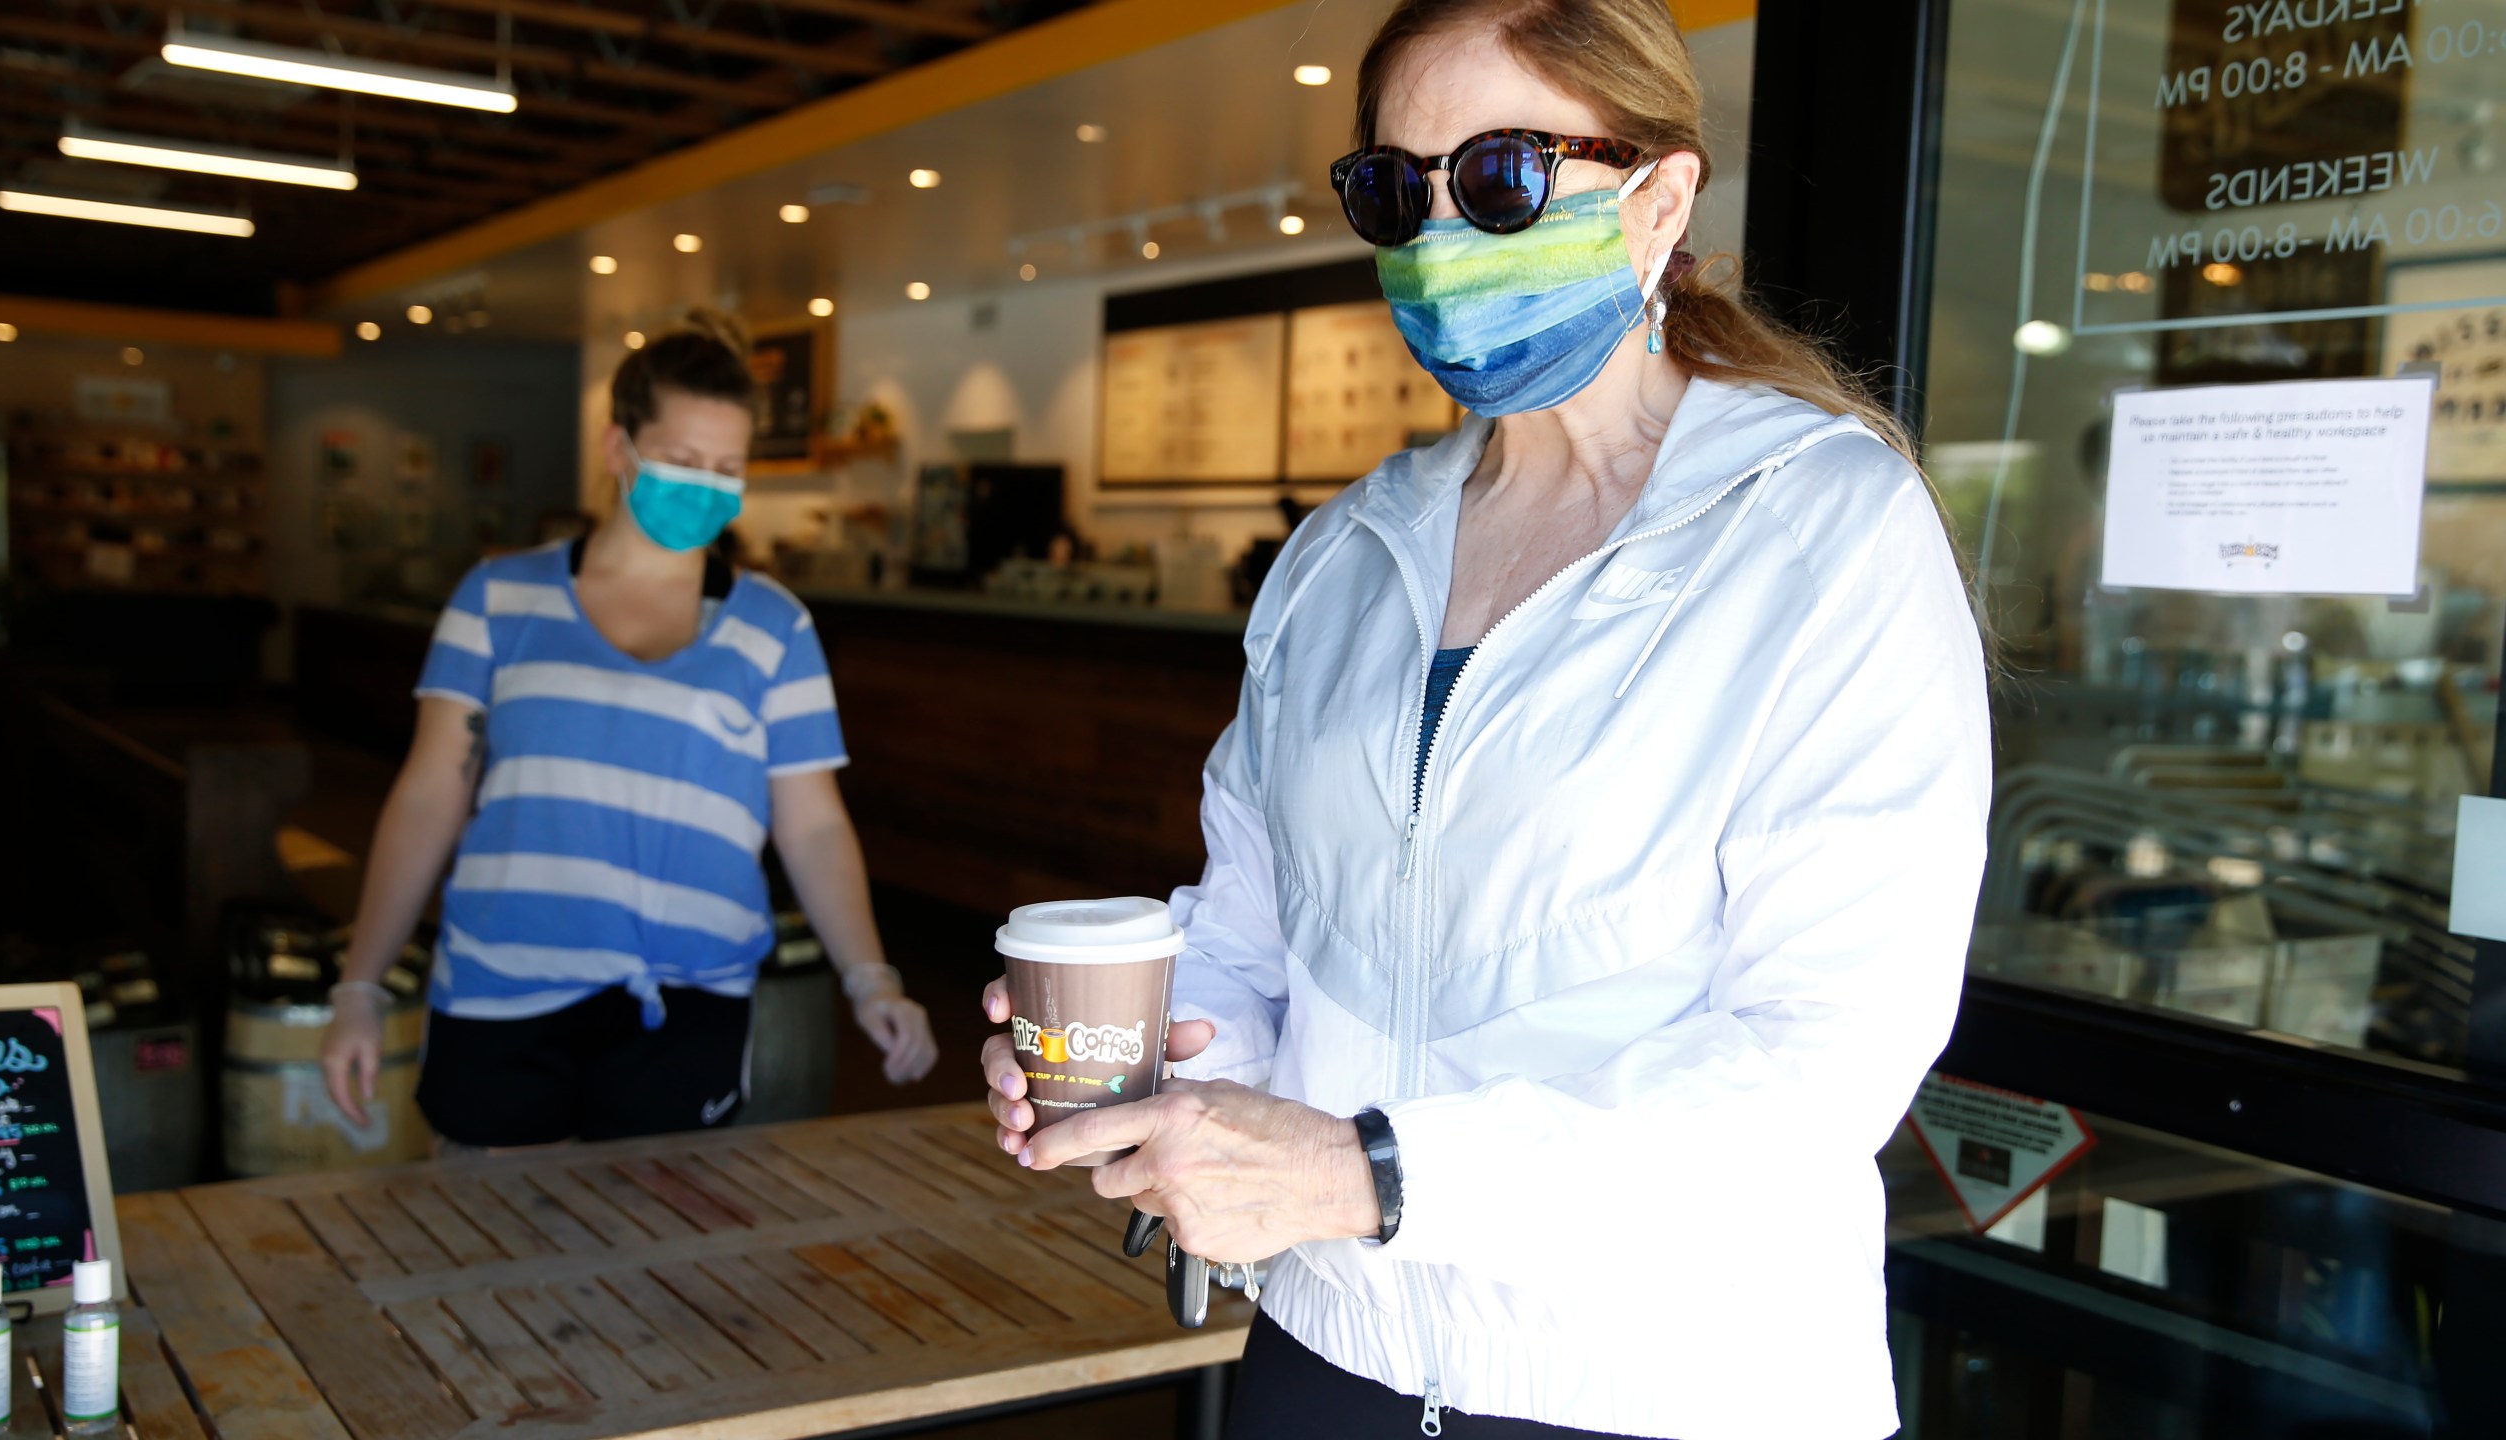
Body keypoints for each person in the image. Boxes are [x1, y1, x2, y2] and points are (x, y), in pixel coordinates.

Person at [980, 3, 1990, 1437]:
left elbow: (1821, 1061)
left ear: (1660, 196)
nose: (1443, 233)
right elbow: (1256, 943)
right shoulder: (1344, 558)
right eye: (1398, 188)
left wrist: (1368, 1175)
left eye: (1503, 175)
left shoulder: (1822, 534)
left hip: (1661, 1387)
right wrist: (1133, 1064)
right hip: (1330, 1352)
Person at [324, 310, 937, 1151]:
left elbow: (814, 821)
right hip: (503, 992)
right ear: (620, 449)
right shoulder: (498, 599)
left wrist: (872, 979)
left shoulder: (774, 627)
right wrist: (361, 985)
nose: (707, 487)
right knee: (481, 1259)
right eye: (683, 462)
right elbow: (430, 795)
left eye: (727, 469)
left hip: (689, 1009)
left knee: (659, 1271)